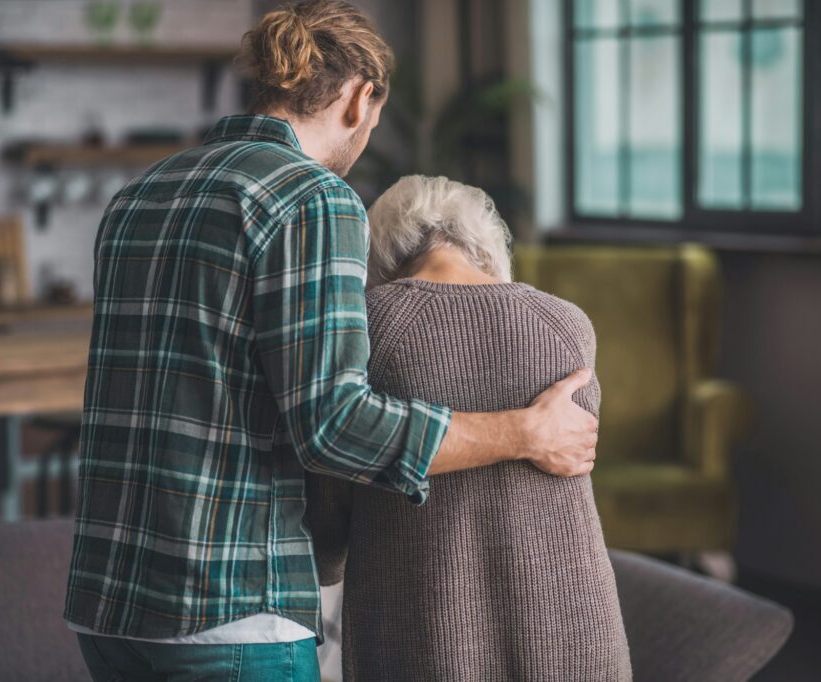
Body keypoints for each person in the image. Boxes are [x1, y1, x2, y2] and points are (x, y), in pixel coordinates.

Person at [63, 2, 598, 680]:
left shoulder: (140, 196)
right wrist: (525, 433)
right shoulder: (313, 197)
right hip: (229, 614)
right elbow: (334, 425)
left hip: (106, 606)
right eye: (373, 115)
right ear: (357, 97)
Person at [305, 175, 632, 681]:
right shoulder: (566, 324)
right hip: (576, 627)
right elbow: (577, 454)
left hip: (427, 631)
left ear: (380, 253)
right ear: (486, 244)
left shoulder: (372, 326)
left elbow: (332, 497)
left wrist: (326, 564)